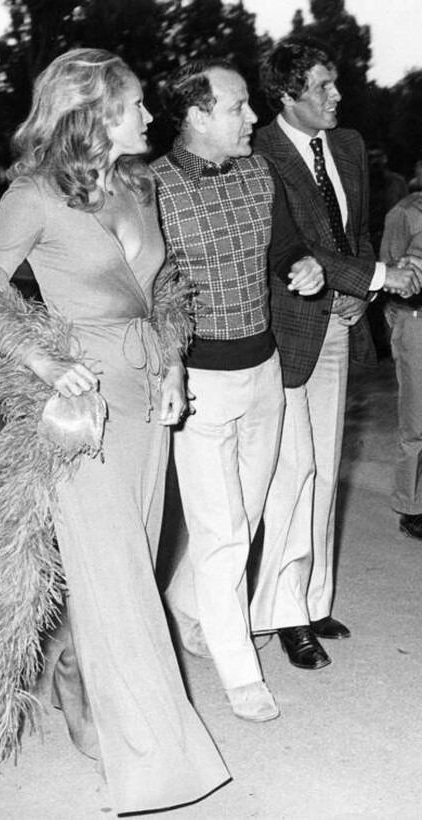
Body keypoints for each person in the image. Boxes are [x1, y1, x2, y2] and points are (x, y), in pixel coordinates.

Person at [0, 49, 229, 815]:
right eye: (137, 103)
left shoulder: (138, 184)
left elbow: (160, 288)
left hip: (146, 395)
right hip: (83, 409)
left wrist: (174, 365)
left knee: (128, 567)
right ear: (92, 113)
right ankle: (154, 763)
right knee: (121, 583)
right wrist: (37, 358)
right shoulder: (33, 195)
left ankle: (73, 673)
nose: (150, 115)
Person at [150, 58, 325, 723]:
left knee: (242, 518)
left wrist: (302, 265)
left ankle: (186, 601)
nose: (253, 117)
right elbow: (146, 288)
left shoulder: (260, 172)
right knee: (222, 531)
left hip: (264, 372)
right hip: (197, 382)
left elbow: (283, 246)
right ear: (198, 116)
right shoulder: (152, 189)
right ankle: (239, 669)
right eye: (237, 107)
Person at [251, 37, 422, 669]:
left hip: (338, 322)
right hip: (285, 329)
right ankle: (282, 613)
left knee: (325, 467)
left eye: (335, 82)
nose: (337, 95)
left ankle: (313, 598)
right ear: (286, 95)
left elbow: (356, 235)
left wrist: (360, 295)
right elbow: (292, 246)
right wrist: (379, 278)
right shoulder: (259, 152)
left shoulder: (346, 146)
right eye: (322, 86)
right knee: (292, 471)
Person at [381, 192, 422, 538]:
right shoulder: (405, 213)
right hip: (416, 321)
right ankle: (412, 506)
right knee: (417, 421)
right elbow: (387, 274)